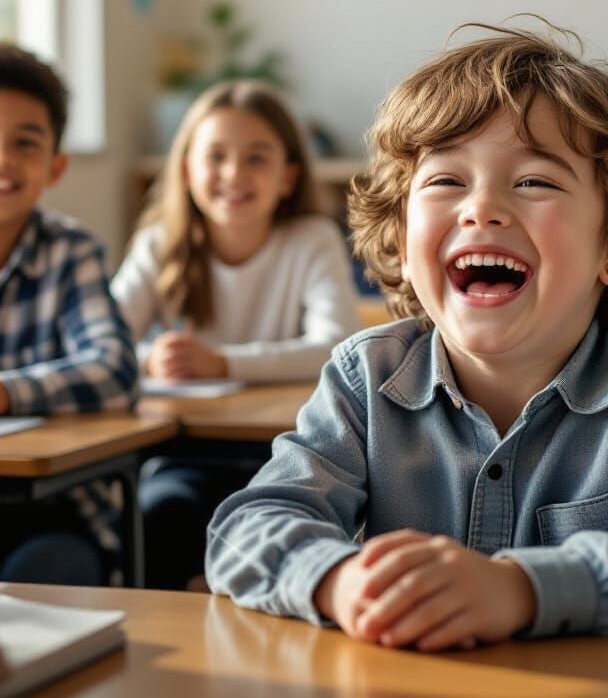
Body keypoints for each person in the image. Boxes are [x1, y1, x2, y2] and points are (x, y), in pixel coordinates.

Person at [206, 22, 608, 650]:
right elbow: (245, 529)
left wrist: (521, 589)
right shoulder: (365, 378)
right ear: (401, 238)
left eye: (534, 182)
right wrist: (335, 581)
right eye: (446, 181)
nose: (481, 209)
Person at [113, 80, 361, 588]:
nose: (233, 173)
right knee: (157, 519)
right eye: (216, 156)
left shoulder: (312, 240)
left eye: (257, 158)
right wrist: (150, 357)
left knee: (284, 535)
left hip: (284, 454)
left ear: (288, 177)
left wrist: (222, 362)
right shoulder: (158, 244)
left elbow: (337, 347)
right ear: (187, 171)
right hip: (182, 455)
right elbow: (101, 346)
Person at [0, 44, 137, 585]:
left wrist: (7, 393)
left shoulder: (70, 250)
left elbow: (115, 370)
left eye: (24, 143)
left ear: (55, 166)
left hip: (51, 509)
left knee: (49, 576)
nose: (4, 159)